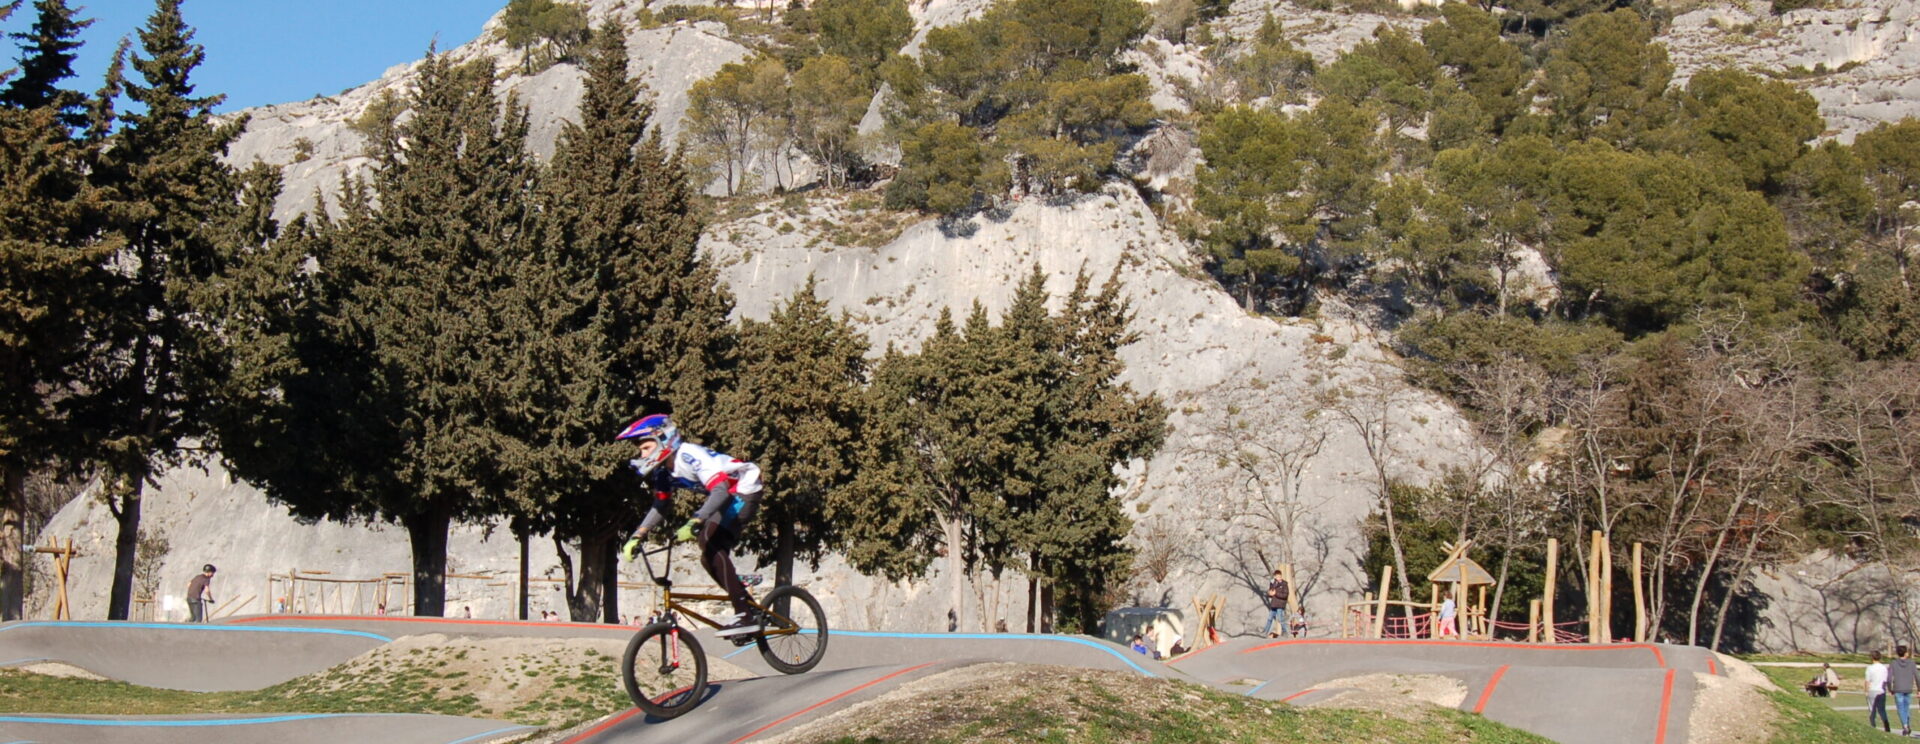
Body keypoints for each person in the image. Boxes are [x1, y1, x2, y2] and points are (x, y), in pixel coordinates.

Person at [618, 413, 766, 638]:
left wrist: (695, 520)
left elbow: (721, 490)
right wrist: (638, 535)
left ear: (664, 440)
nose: (642, 454)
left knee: (708, 539)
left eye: (646, 448)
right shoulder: (663, 472)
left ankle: (744, 614)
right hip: (726, 495)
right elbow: (661, 505)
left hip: (744, 489)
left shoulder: (689, 455)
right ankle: (750, 608)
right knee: (708, 558)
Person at [1891, 644, 1917, 736]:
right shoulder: (1912, 663)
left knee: (1901, 708)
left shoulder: (1893, 663)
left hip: (1898, 688)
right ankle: (1907, 725)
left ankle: (1905, 726)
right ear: (1905, 653)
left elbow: (1889, 677)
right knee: (1906, 708)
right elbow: (1917, 676)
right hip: (1908, 688)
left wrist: (1890, 688)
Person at [1262, 569, 1290, 639]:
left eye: (1280, 576)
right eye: (1277, 577)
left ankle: (1285, 631)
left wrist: (1276, 593)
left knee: (1280, 619)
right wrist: (1269, 594)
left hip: (1280, 604)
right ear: (1275, 577)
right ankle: (1265, 632)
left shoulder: (1284, 584)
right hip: (1274, 604)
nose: (1279, 578)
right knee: (1269, 618)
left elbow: (1285, 595)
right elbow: (1271, 592)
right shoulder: (1273, 583)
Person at [1868, 651, 1891, 732]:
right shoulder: (1884, 668)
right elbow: (1886, 680)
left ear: (1872, 658)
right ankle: (1886, 723)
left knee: (1872, 709)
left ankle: (1873, 725)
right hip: (1881, 690)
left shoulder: (1870, 668)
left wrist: (1866, 690)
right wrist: (1889, 689)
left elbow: (1867, 680)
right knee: (1882, 709)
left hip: (1872, 689)